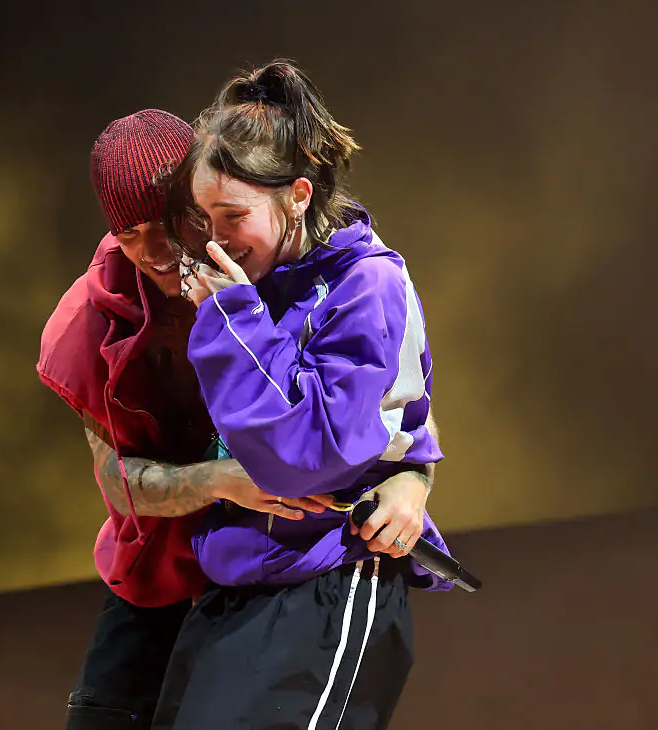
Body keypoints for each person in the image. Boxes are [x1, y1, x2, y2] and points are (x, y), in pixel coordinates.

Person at [36, 109, 442, 729]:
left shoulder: (272, 272)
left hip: (279, 562)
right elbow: (117, 480)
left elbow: (386, 395)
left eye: (172, 221)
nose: (157, 251)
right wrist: (222, 481)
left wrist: (414, 479)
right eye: (130, 232)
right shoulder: (88, 322)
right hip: (167, 563)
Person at [151, 61, 454, 730]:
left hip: (330, 582)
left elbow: (305, 455)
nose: (216, 238)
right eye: (205, 217)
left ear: (297, 195)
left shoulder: (366, 285)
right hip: (238, 581)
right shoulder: (257, 283)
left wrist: (230, 317)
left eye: (233, 215)